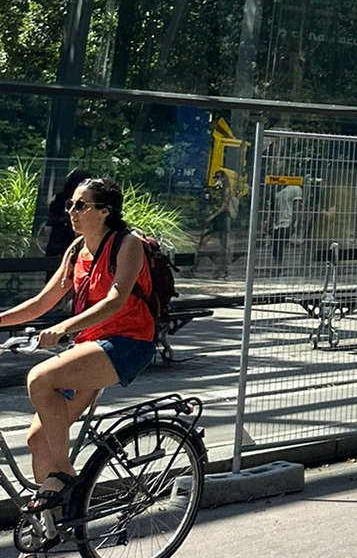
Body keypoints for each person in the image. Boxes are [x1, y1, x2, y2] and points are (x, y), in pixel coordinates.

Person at [0, 176, 157, 512]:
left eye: (80, 205)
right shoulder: (77, 250)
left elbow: (116, 301)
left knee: (40, 378)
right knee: (37, 440)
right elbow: (43, 302)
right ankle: (49, 527)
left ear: (104, 211)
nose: (71, 211)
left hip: (128, 342)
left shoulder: (127, 244)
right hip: (91, 345)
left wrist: (64, 328)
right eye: (70, 204)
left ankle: (63, 472)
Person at [34, 169, 90, 260]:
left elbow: (52, 215)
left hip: (59, 237)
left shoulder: (60, 197)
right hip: (62, 236)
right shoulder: (62, 198)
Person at [195, 168, 238, 278]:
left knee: (223, 245)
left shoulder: (226, 190)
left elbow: (225, 206)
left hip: (222, 217)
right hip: (213, 217)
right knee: (203, 241)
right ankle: (195, 267)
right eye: (215, 178)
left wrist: (212, 216)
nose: (216, 180)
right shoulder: (215, 189)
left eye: (218, 178)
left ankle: (223, 269)